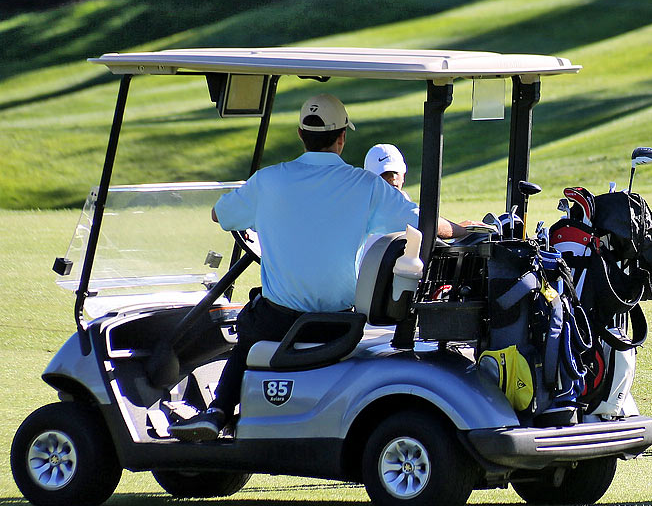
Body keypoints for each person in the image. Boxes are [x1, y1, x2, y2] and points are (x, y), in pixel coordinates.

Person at [169, 93, 470, 442]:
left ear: (300, 134)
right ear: (341, 137)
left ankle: (219, 409)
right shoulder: (365, 185)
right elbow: (425, 224)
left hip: (278, 322)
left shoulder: (269, 181)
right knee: (258, 311)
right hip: (338, 322)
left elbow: (219, 214)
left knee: (250, 318)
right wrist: (466, 229)